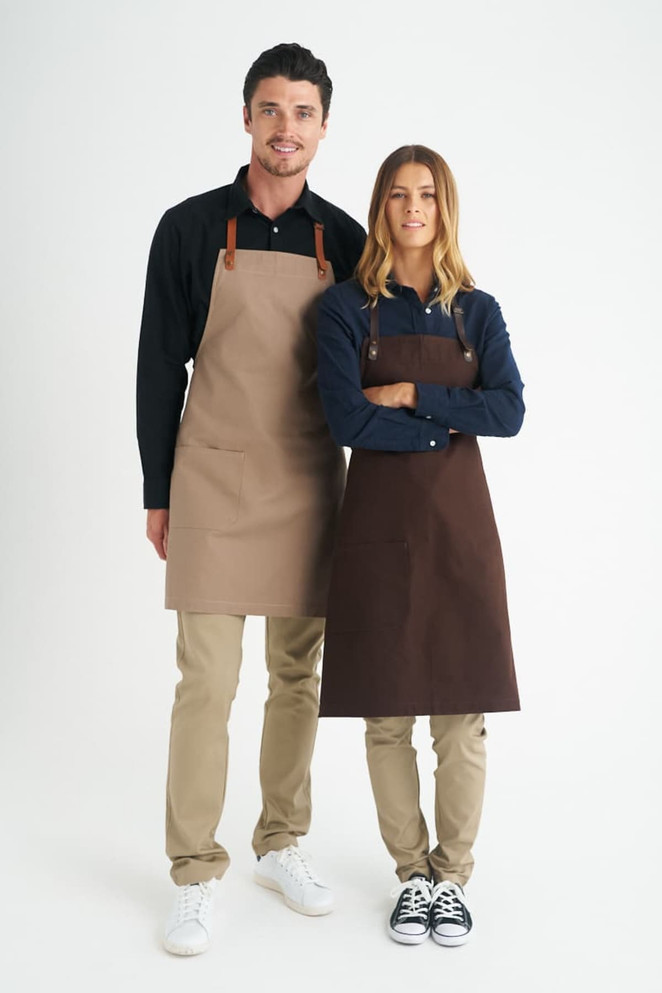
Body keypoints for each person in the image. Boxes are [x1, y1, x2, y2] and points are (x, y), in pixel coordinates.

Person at [136, 43, 365, 956]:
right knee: (208, 682)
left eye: (303, 113)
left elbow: (366, 369)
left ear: (322, 127)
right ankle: (193, 869)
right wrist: (158, 488)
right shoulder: (190, 229)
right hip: (212, 478)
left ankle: (282, 840)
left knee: (298, 679)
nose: (286, 128)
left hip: (309, 478)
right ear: (245, 118)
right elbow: (160, 365)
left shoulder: (343, 240)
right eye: (271, 110)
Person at [316, 145, 524, 946]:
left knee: (462, 716)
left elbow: (507, 412)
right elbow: (345, 421)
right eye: (399, 195)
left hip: (460, 533)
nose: (412, 208)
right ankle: (411, 876)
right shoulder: (344, 310)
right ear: (380, 207)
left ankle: (453, 877)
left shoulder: (477, 310)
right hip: (375, 530)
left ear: (445, 208)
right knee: (386, 716)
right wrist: (450, 416)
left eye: (427, 195)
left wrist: (409, 394)